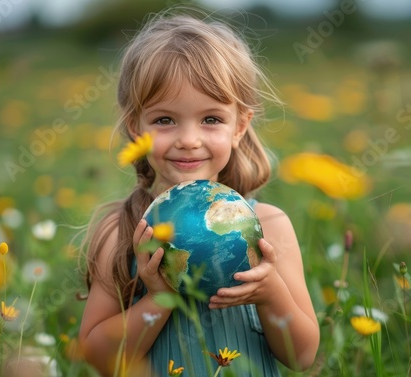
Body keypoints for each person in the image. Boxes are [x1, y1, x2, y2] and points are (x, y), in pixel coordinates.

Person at [79, 8, 319, 377]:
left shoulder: (270, 226)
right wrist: (160, 299)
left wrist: (271, 292)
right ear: (135, 127)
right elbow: (96, 356)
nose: (188, 140)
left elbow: (301, 357)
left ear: (239, 126)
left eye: (211, 119)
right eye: (164, 120)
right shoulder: (122, 230)